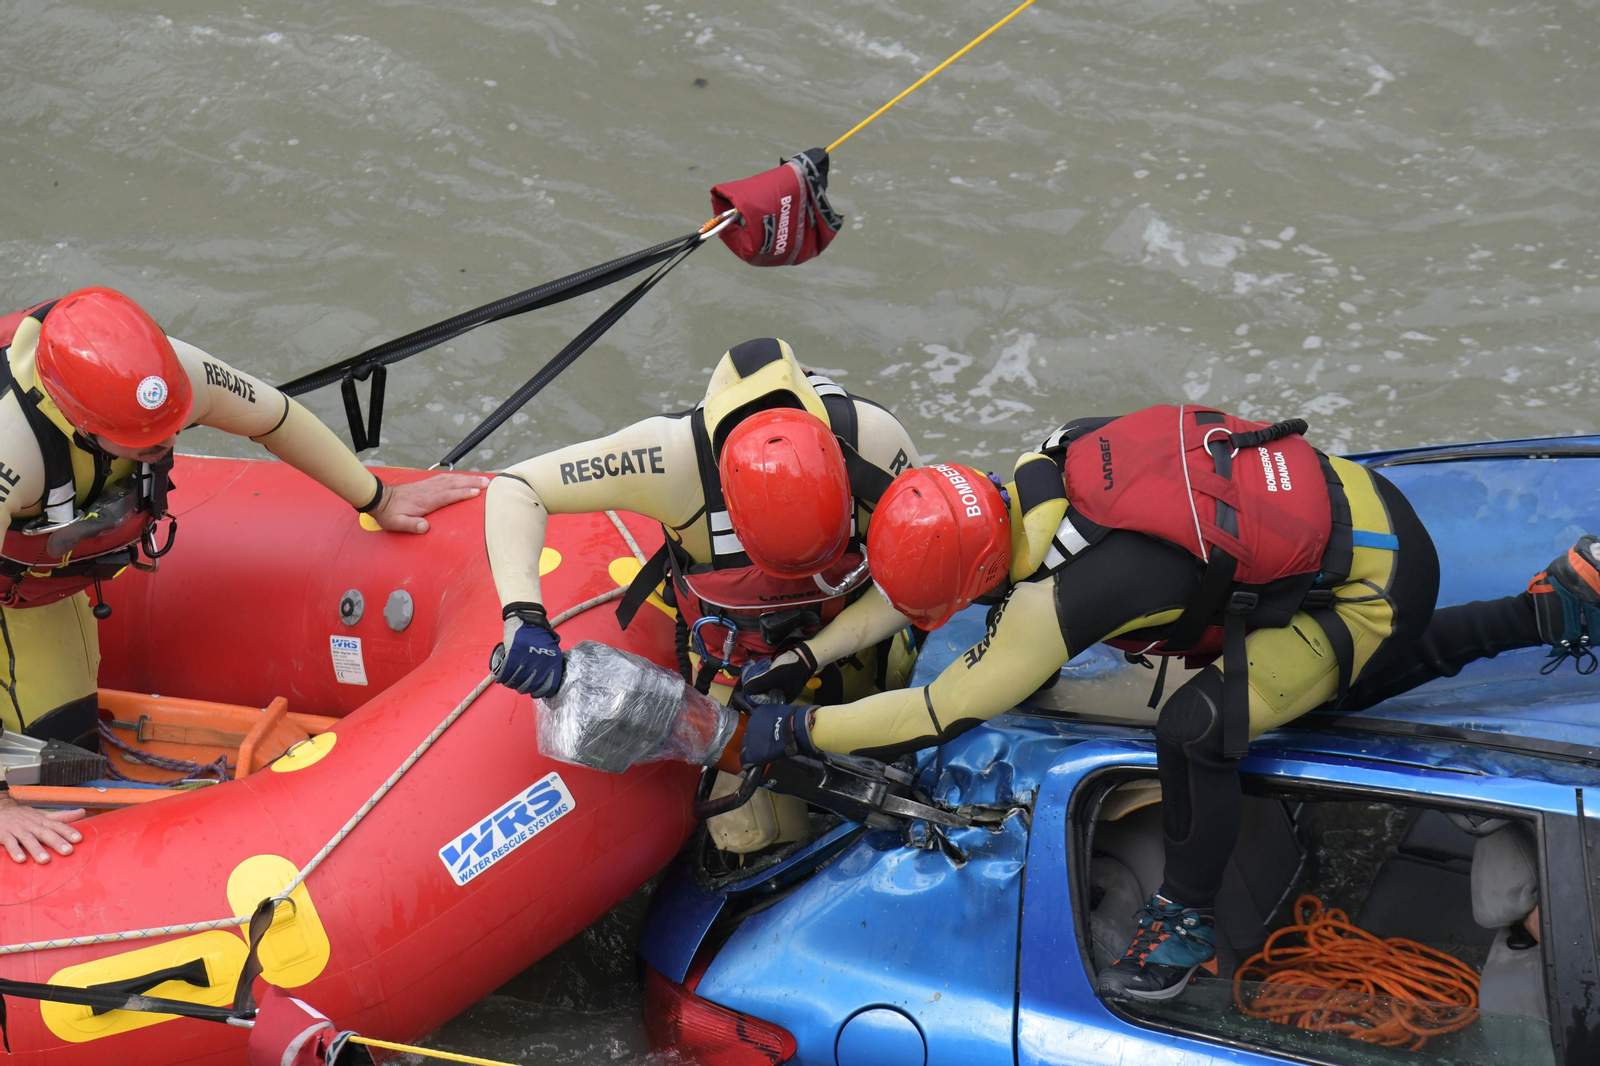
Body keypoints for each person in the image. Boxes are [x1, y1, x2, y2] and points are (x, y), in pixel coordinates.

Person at [735, 404, 1599, 1000]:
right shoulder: (1046, 462)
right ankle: (1557, 607)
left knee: (1198, 726)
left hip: (1373, 586)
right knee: (1331, 677)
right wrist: (807, 654)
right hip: (1367, 503)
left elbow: (938, 712)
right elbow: (915, 580)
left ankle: (1183, 924)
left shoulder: (1058, 607)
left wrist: (799, 725)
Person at [0, 288, 487, 865]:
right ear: (77, 420)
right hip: (16, 594)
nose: (166, 445)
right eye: (144, 443)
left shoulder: (170, 376)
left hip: (48, 582)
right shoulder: (12, 450)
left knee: (67, 745)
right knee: (45, 768)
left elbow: (275, 418)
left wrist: (379, 499)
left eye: (171, 430)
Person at [484, 337, 923, 707]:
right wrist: (523, 614)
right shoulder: (668, 460)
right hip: (732, 672)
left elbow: (921, 577)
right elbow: (518, 488)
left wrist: (810, 656)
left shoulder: (875, 444)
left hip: (862, 653)